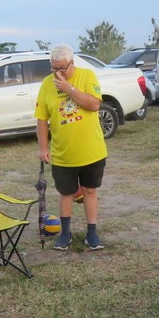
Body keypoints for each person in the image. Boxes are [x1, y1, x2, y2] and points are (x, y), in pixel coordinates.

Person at [35, 45, 108, 251]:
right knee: (65, 193)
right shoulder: (47, 84)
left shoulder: (87, 76)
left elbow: (94, 105)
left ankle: (92, 233)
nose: (58, 73)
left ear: (72, 63)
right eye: (54, 68)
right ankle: (65, 234)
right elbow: (41, 119)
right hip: (62, 153)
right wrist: (43, 147)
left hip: (91, 150)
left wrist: (70, 89)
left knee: (90, 190)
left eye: (62, 68)